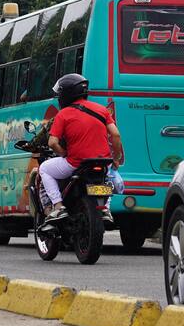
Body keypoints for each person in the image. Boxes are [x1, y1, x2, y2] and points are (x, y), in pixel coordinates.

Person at [40, 73, 125, 222]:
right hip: (103, 161)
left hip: (76, 162)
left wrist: (63, 153)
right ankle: (105, 208)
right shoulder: (101, 110)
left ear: (66, 94)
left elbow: (52, 143)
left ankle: (58, 206)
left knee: (44, 169)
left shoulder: (63, 114)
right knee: (106, 179)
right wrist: (116, 158)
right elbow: (116, 135)